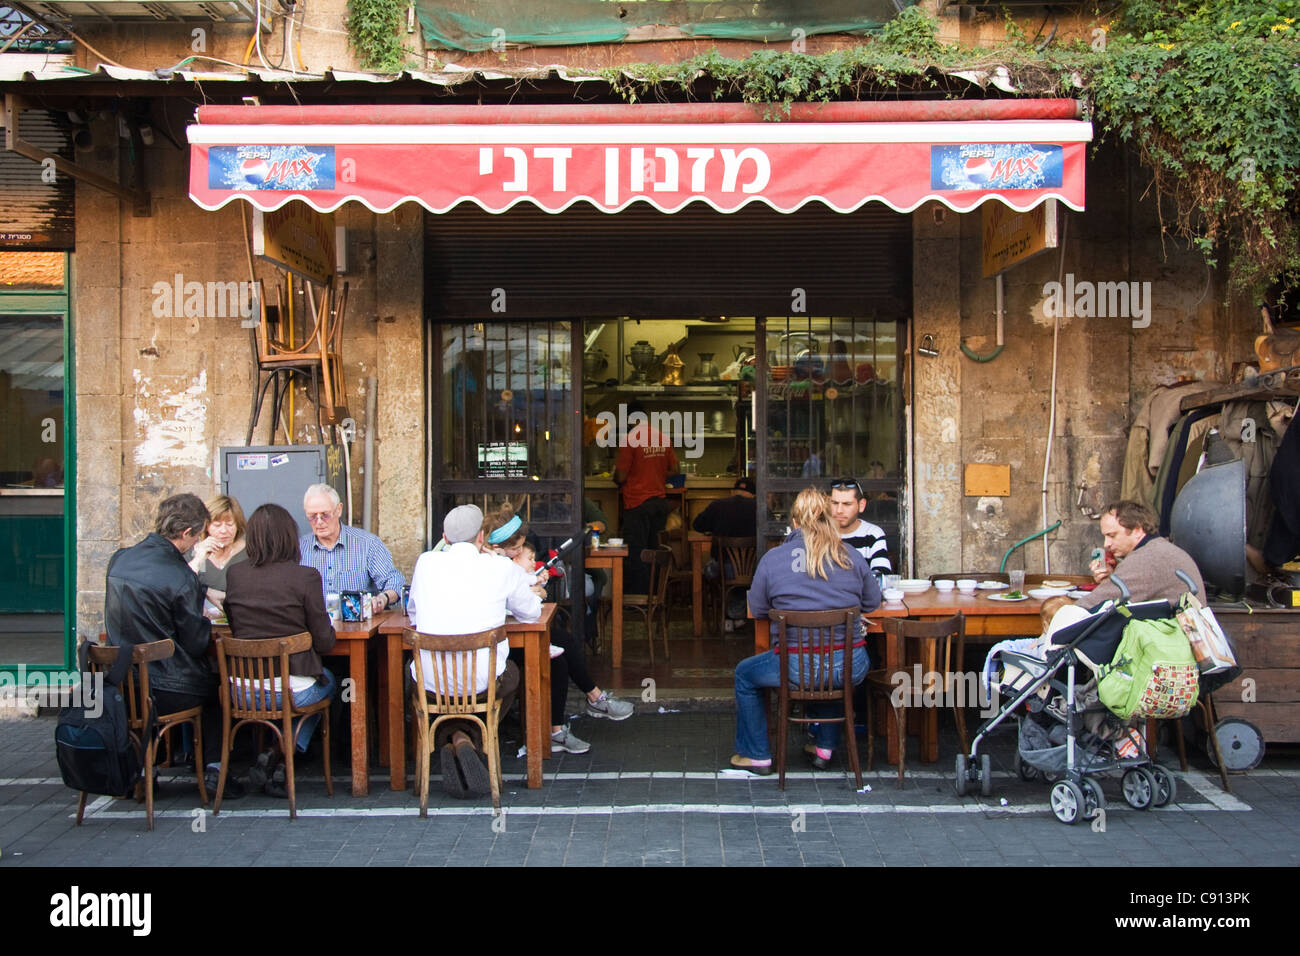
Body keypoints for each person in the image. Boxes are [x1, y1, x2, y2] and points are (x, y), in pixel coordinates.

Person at [729, 487, 882, 775]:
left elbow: (758, 609)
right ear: (830, 519)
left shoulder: (773, 559)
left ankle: (756, 754)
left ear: (795, 523)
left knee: (744, 674)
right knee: (827, 670)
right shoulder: (850, 555)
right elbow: (873, 602)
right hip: (850, 666)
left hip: (795, 667)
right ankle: (824, 747)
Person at [103, 493, 244, 799]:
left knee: (149, 693)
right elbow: (195, 643)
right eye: (197, 536)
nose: (196, 543)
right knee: (219, 688)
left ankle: (143, 771)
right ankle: (214, 770)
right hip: (167, 689)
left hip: (121, 686)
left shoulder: (120, 559)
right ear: (185, 534)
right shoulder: (181, 576)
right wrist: (206, 620)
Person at [406, 504, 536, 799]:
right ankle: (474, 739)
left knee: (414, 681)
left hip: (432, 685)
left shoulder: (425, 563)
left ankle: (453, 736)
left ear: (445, 538)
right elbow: (529, 614)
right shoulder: (501, 567)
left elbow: (412, 614)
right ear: (481, 537)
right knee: (511, 675)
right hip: (483, 683)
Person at [223, 504, 337, 798]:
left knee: (307, 687)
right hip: (291, 689)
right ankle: (284, 755)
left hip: (241, 690)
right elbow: (325, 643)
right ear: (290, 537)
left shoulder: (235, 575)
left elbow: (235, 628)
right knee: (329, 682)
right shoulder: (305, 576)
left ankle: (275, 752)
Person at [1078, 500, 1204, 611]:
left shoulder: (1147, 559)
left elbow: (1089, 607)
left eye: (1112, 536)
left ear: (1137, 530)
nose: (1106, 544)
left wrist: (1061, 606)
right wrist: (1110, 580)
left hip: (1175, 634)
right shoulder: (1159, 549)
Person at [299, 483, 405, 611]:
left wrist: (383, 598)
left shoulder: (367, 543)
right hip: (313, 628)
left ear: (339, 510)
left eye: (325, 515)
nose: (319, 521)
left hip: (359, 626)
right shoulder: (299, 548)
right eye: (312, 516)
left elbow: (395, 582)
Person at [614, 401, 681, 593]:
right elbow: (675, 469)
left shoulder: (630, 439)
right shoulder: (662, 437)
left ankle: (639, 599)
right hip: (659, 503)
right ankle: (656, 596)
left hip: (637, 504)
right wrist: (658, 475)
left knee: (637, 552)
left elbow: (620, 476)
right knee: (655, 550)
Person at [188, 494, 248, 615]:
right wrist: (199, 558)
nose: (224, 530)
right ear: (206, 526)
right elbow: (179, 586)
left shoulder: (250, 551)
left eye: (230, 524)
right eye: (217, 525)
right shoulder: (193, 551)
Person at [829, 476, 892, 579]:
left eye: (847, 504)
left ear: (861, 505)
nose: (839, 510)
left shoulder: (873, 534)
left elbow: (881, 577)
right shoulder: (820, 534)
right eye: (835, 503)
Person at [692, 476, 757, 538]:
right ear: (754, 495)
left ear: (732, 492)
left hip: (721, 549)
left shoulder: (716, 504)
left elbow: (697, 525)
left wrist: (714, 528)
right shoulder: (758, 507)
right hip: (755, 549)